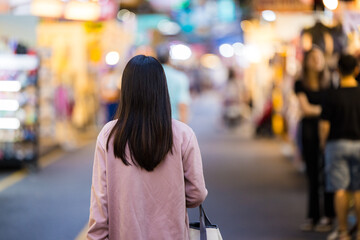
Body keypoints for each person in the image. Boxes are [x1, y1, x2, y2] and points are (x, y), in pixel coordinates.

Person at [87, 55, 208, 239]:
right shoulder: (183, 134)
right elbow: (196, 195)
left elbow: (100, 201)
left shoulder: (109, 135)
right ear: (161, 88)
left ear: (126, 90)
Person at [319, 54, 360, 240]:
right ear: (356, 70)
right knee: (358, 189)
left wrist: (323, 144)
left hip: (336, 144)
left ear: (337, 70)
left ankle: (343, 232)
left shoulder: (331, 95)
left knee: (340, 189)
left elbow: (324, 125)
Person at [295, 46, 334, 232]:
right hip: (309, 131)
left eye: (320, 58)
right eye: (313, 58)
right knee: (312, 175)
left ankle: (328, 217)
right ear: (307, 62)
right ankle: (313, 216)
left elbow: (315, 109)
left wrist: (319, 111)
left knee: (328, 174)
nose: (317, 61)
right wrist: (325, 111)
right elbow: (306, 109)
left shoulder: (330, 82)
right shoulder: (300, 83)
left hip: (328, 131)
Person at [156, 45, 191, 123]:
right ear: (169, 59)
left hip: (151, 125)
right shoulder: (180, 77)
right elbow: (182, 105)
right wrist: (184, 128)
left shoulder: (148, 76)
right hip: (174, 123)